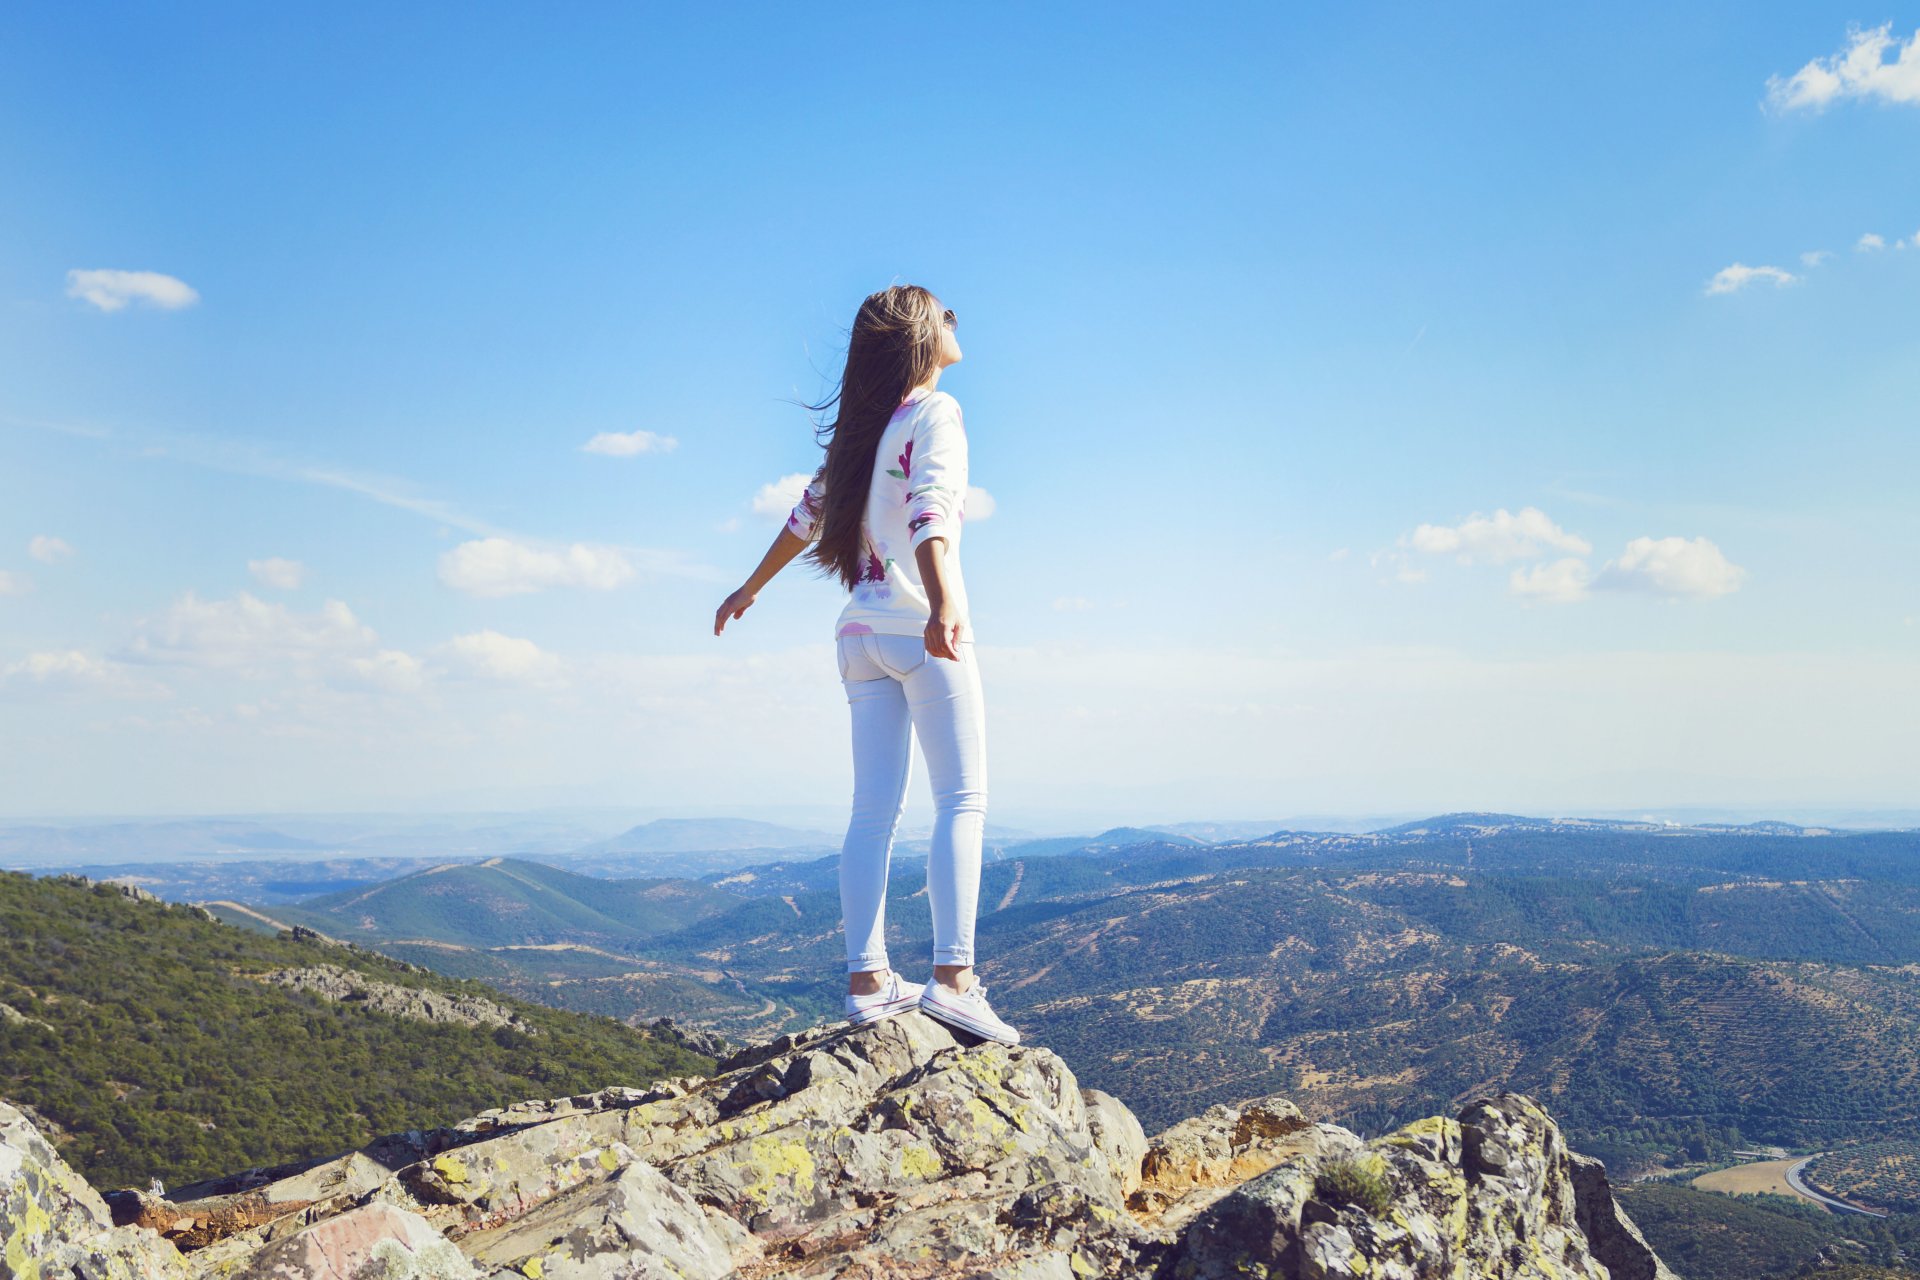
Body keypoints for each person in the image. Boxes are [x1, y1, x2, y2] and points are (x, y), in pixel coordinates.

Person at [713, 284, 1017, 1046]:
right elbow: (933, 513)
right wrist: (946, 602)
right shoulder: (935, 415)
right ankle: (954, 980)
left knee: (871, 814)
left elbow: (803, 518)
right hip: (921, 628)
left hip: (857, 638)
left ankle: (869, 981)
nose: (955, 321)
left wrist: (749, 588)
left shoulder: (859, 437)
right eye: (944, 314)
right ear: (920, 337)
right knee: (962, 800)